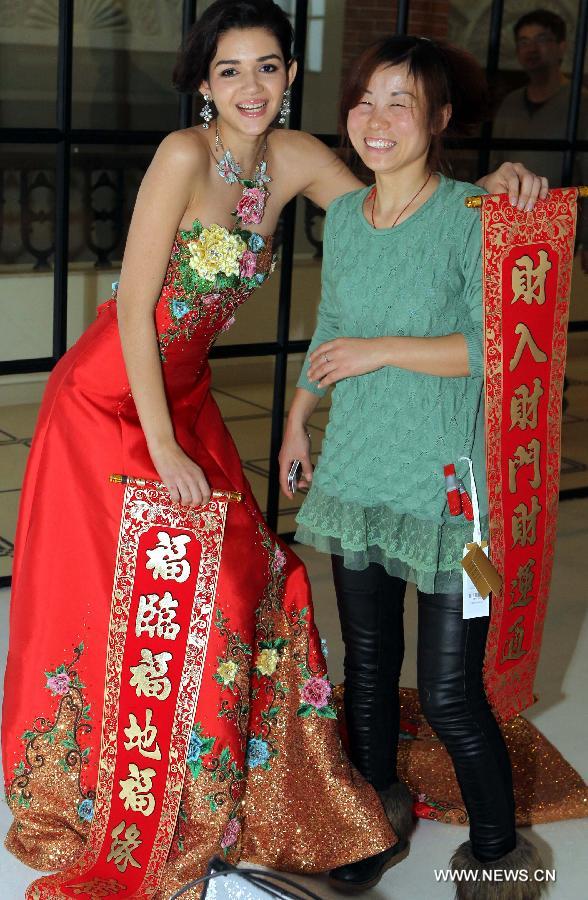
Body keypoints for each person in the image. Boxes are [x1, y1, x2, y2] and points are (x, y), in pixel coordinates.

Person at [2, 0, 545, 895]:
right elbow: (134, 311)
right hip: (111, 398)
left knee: (255, 576)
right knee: (135, 587)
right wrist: (168, 447)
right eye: (228, 71)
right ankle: (109, 774)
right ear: (203, 84)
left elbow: (391, 206)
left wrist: (497, 191)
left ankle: (235, 769)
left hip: (189, 394)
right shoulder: (184, 155)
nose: (249, 87)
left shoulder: (294, 157)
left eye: (267, 68)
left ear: (293, 76)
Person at [280, 35, 547, 899]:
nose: (377, 118)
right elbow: (329, 333)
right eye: (365, 99)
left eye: (403, 101)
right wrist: (295, 424)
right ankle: (370, 818)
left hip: (449, 496)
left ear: (438, 120)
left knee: (447, 692)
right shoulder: (348, 217)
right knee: (364, 669)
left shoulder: (476, 214)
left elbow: (494, 348)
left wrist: (377, 351)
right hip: (357, 479)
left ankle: (502, 850)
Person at [493, 8, 588, 272]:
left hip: (564, 233)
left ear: (562, 47)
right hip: (510, 230)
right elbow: (494, 164)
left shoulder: (582, 103)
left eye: (542, 39)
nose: (531, 48)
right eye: (523, 41)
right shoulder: (510, 103)